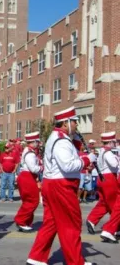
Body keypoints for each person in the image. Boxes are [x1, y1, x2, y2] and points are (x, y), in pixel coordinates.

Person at [27, 106, 96, 265]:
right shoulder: (61, 141)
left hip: (54, 184)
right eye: (74, 122)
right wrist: (87, 159)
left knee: (51, 223)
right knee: (71, 224)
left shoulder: (58, 138)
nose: (76, 125)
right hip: (61, 187)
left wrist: (83, 164)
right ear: (66, 123)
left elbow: (65, 164)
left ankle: (36, 258)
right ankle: (75, 262)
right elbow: (67, 166)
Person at [86, 132, 119, 241]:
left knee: (104, 203)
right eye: (114, 141)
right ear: (110, 142)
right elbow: (115, 165)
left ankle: (92, 220)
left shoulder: (102, 152)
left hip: (102, 178)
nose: (115, 143)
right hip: (109, 178)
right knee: (115, 205)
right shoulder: (108, 153)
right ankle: (112, 229)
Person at [14, 132, 43, 232]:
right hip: (27, 177)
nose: (38, 144)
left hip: (27, 177)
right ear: (33, 142)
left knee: (28, 201)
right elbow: (34, 169)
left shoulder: (29, 151)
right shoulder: (30, 153)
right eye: (37, 142)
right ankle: (21, 220)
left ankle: (25, 221)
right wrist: (43, 167)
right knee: (33, 200)